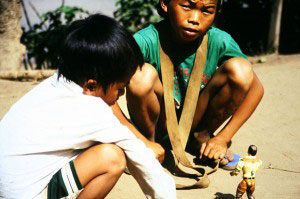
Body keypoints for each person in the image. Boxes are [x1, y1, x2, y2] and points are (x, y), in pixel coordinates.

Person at [0, 14, 176, 199]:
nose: (120, 96)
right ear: (91, 86)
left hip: (9, 186)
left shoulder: (55, 83)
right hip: (26, 194)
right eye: (120, 89)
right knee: (112, 157)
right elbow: (141, 158)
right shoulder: (93, 111)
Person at [112, 0, 264, 166]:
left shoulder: (220, 41)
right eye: (187, 6)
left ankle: (201, 138)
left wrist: (223, 137)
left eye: (207, 10)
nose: (194, 18)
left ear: (217, 13)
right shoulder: (145, 41)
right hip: (157, 125)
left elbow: (256, 89)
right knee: (142, 76)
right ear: (164, 4)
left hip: (194, 123)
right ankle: (147, 145)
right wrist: (136, 137)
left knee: (241, 69)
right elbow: (101, 94)